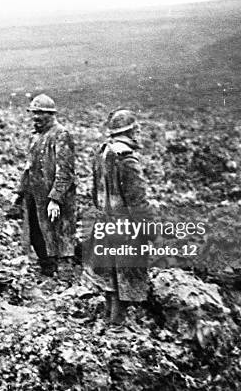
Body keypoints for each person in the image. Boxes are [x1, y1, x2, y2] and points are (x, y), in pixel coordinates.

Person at [91, 109, 149, 324]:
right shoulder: (127, 159)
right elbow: (137, 200)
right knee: (125, 276)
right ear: (132, 132)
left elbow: (94, 191)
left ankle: (108, 319)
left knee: (109, 276)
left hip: (104, 221)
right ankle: (117, 326)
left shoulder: (102, 152)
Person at [14, 94, 76, 277]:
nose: (35, 118)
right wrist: (20, 193)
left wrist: (55, 198)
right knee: (36, 232)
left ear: (51, 114)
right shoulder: (36, 137)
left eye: (40, 114)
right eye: (33, 114)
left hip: (53, 196)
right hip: (35, 194)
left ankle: (65, 273)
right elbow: (29, 167)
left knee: (59, 234)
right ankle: (47, 269)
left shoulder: (61, 135)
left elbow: (65, 171)